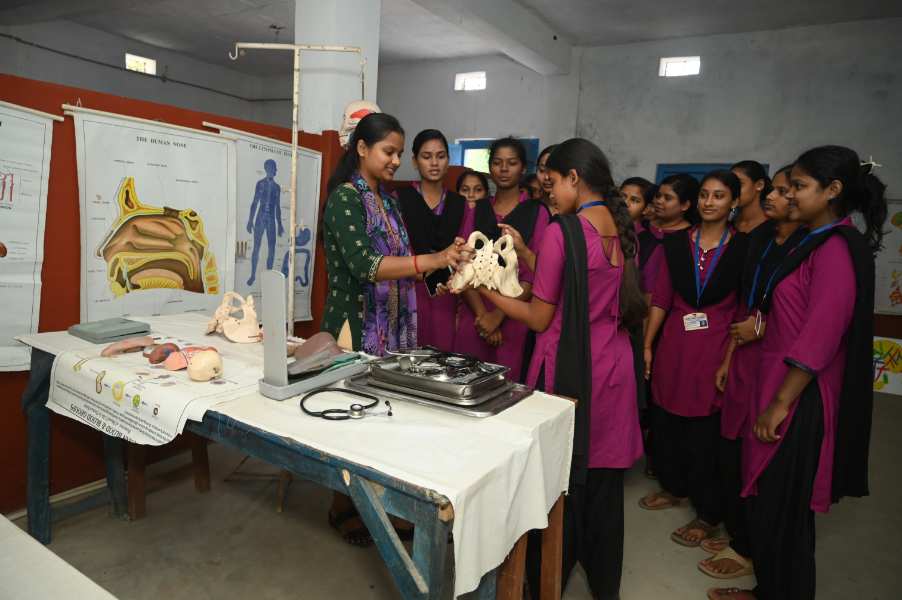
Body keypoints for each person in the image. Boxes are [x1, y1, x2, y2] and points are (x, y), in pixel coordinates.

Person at [467, 138, 645, 599]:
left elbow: (539, 316)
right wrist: (529, 255)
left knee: (557, 486)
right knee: (603, 488)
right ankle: (604, 584)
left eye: (552, 185)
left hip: (571, 368)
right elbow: (580, 282)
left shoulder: (563, 230)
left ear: (574, 178)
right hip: (614, 367)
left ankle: (546, 581)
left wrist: (482, 286)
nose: (548, 194)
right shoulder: (620, 227)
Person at [710, 146, 885, 600]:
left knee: (783, 511)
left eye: (800, 187)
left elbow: (820, 336)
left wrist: (780, 404)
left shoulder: (836, 248)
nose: (790, 196)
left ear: (832, 191)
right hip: (777, 378)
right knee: (770, 506)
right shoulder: (810, 240)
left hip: (800, 393)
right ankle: (768, 588)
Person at [321, 113, 469, 546]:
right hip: (357, 327)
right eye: (389, 151)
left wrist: (447, 265)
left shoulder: (387, 201)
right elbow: (365, 265)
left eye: (400, 153)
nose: (395, 160)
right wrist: (432, 259)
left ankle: (379, 508)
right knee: (352, 421)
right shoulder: (345, 198)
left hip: (394, 326)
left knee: (384, 421)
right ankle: (342, 506)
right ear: (362, 149)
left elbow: (403, 258)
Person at [700, 165, 805, 581]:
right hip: (745, 353)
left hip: (780, 360)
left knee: (766, 454)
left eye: (784, 190)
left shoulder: (809, 246)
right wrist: (729, 355)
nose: (773, 197)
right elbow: (750, 304)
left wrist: (760, 328)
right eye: (775, 190)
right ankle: (740, 533)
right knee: (735, 446)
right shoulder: (761, 240)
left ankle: (751, 547)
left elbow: (802, 316)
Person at [640, 171, 748, 549]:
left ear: (734, 202)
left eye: (719, 196)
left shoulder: (742, 248)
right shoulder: (677, 244)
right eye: (704, 194)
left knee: (705, 432)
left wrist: (729, 359)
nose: (709, 202)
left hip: (716, 344)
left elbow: (743, 310)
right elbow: (661, 298)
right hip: (675, 342)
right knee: (667, 419)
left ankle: (708, 513)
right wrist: (648, 345)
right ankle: (674, 488)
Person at [454, 137, 550, 381]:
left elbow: (534, 273)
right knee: (465, 383)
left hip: (515, 315)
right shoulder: (477, 209)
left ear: (523, 168)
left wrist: (497, 316)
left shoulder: (537, 212)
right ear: (489, 167)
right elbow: (464, 264)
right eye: (497, 163)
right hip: (475, 313)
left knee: (506, 389)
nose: (504, 169)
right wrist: (482, 316)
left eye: (512, 163)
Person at [397, 129, 467, 351]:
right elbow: (396, 250)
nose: (434, 163)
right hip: (408, 290)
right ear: (414, 161)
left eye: (440, 156)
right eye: (426, 156)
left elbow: (464, 250)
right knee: (407, 357)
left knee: (442, 357)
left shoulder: (460, 204)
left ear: (448, 160)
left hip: (447, 293)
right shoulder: (399, 199)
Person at [246, 158, 284, 286]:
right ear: (268, 169)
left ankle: (268, 277)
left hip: (271, 220)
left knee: (271, 248)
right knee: (256, 247)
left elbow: (277, 206)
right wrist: (250, 220)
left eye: (275, 168)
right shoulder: (260, 184)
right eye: (273, 168)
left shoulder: (277, 188)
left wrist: (280, 224)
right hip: (260, 218)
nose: (275, 171)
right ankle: (252, 275)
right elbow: (254, 202)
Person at [731, 160, 771, 233]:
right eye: (731, 184)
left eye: (739, 184)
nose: (733, 189)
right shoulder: (729, 222)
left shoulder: (772, 226)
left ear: (759, 185)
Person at [536, 144, 558, 210]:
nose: (546, 177)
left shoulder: (578, 211)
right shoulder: (528, 208)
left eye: (553, 171)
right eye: (542, 170)